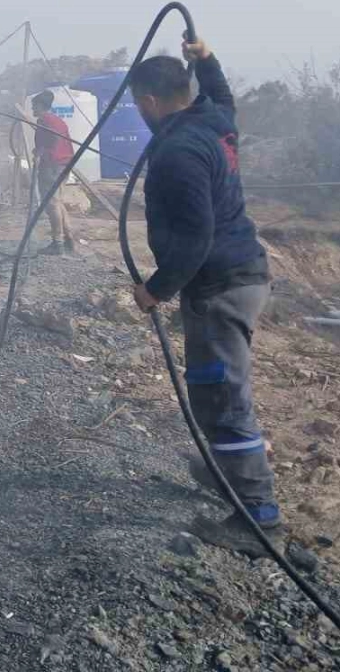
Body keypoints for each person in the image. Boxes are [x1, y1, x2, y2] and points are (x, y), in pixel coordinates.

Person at [127, 37, 281, 546]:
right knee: (216, 391)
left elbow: (197, 237)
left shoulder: (178, 151)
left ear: (150, 101)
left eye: (138, 105)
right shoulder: (214, 119)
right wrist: (208, 61)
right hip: (240, 274)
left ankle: (258, 520)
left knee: (222, 398)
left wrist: (156, 290)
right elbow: (223, 95)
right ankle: (223, 474)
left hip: (219, 285)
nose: (139, 114)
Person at [31, 90, 76, 255]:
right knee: (58, 201)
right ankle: (69, 239)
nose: (32, 109)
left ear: (41, 105)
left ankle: (58, 243)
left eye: (34, 106)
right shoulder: (58, 121)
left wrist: (41, 152)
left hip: (52, 165)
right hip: (64, 163)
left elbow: (52, 141)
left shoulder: (44, 120)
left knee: (51, 203)